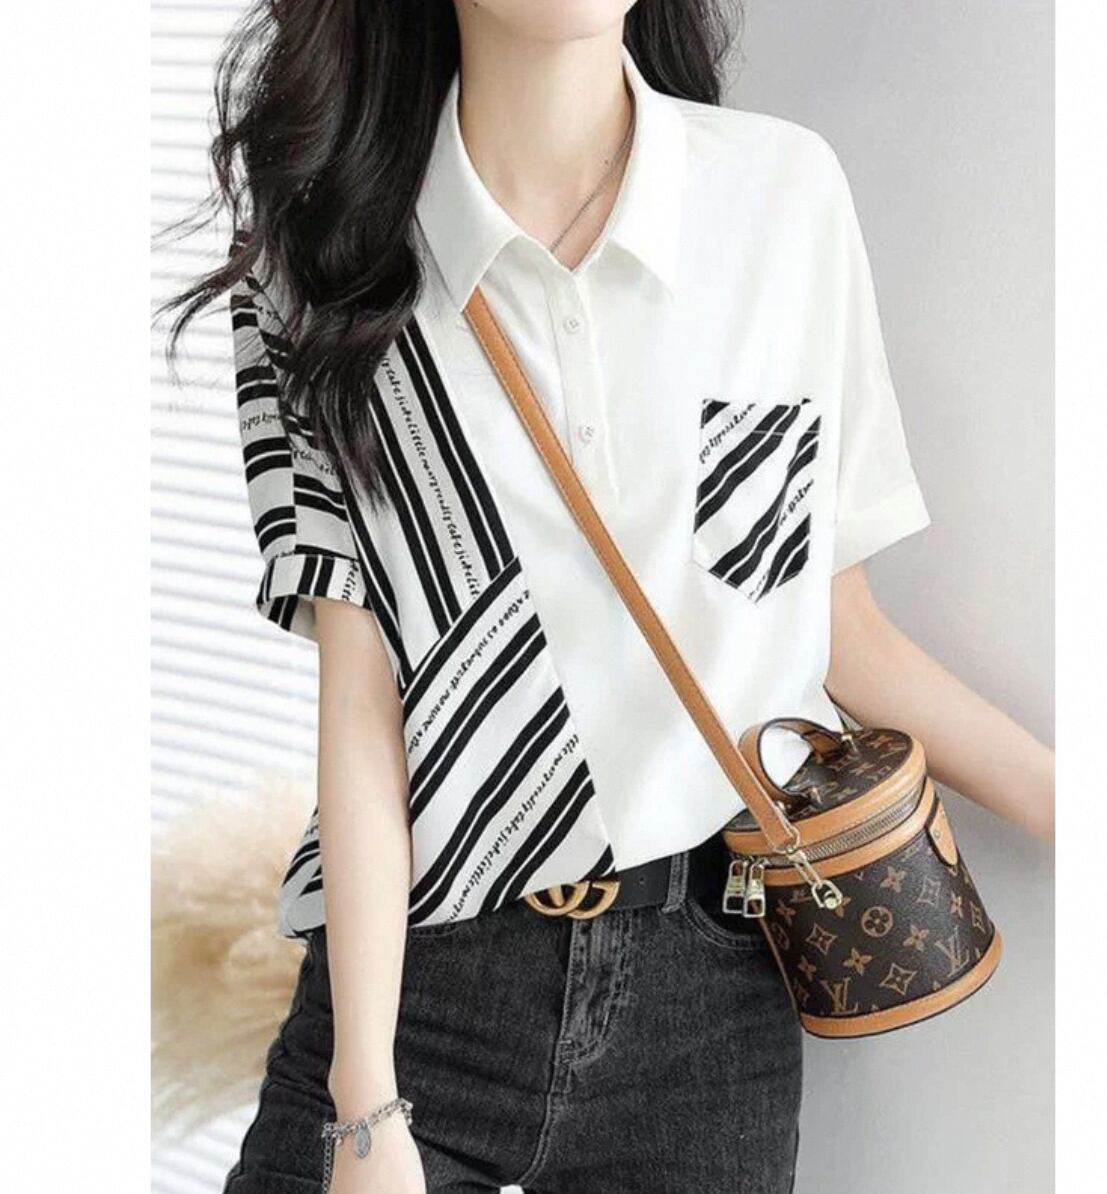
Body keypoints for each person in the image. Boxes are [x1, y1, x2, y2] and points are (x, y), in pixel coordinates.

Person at [163, 2, 1054, 1191]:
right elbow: (362, 710)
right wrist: (364, 1100)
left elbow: (843, 632)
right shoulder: (327, 258)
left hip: (709, 1009)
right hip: (423, 991)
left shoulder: (779, 201)